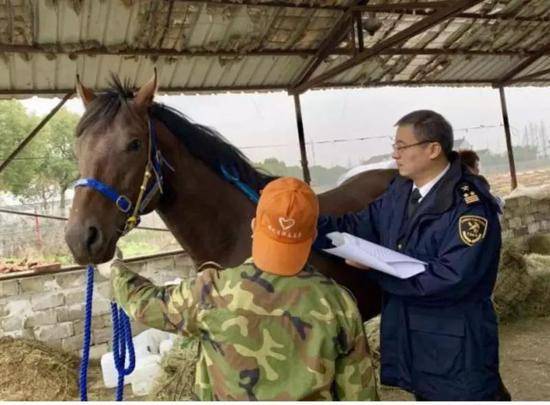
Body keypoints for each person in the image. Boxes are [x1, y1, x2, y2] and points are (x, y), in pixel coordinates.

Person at [98, 177, 378, 401]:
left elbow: (146, 304)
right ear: (313, 235)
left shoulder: (212, 291)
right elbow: (359, 392)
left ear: (255, 226)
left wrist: (115, 270)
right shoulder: (338, 302)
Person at [315, 110, 509, 401]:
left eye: (402, 147)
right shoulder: (400, 192)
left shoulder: (469, 206)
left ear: (433, 149)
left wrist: (375, 269)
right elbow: (355, 225)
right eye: (394, 147)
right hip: (415, 339)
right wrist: (301, 225)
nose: (395, 155)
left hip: (456, 346)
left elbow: (451, 278)